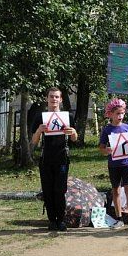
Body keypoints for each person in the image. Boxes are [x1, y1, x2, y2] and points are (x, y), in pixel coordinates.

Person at [31, 87, 78, 231]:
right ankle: (52, 220)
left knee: (60, 190)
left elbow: (75, 139)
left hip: (62, 157)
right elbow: (34, 141)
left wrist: (73, 132)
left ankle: (61, 220)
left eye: (57, 97)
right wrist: (39, 130)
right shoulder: (41, 117)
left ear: (61, 99)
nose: (54, 99)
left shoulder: (67, 116)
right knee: (48, 190)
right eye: (51, 96)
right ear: (47, 98)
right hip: (46, 159)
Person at [99, 98, 128, 231]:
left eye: (122, 113)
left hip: (127, 163)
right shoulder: (107, 129)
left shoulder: (127, 127)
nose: (120, 116)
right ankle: (119, 218)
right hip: (114, 165)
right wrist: (107, 151)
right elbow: (102, 148)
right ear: (110, 114)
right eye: (117, 114)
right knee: (116, 190)